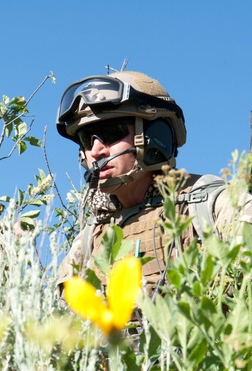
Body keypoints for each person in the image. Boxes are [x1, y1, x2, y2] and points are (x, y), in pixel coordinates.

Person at [54, 70, 252, 297]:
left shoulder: (210, 204)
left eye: (110, 133)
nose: (96, 151)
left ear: (155, 135)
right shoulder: (91, 238)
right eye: (86, 139)